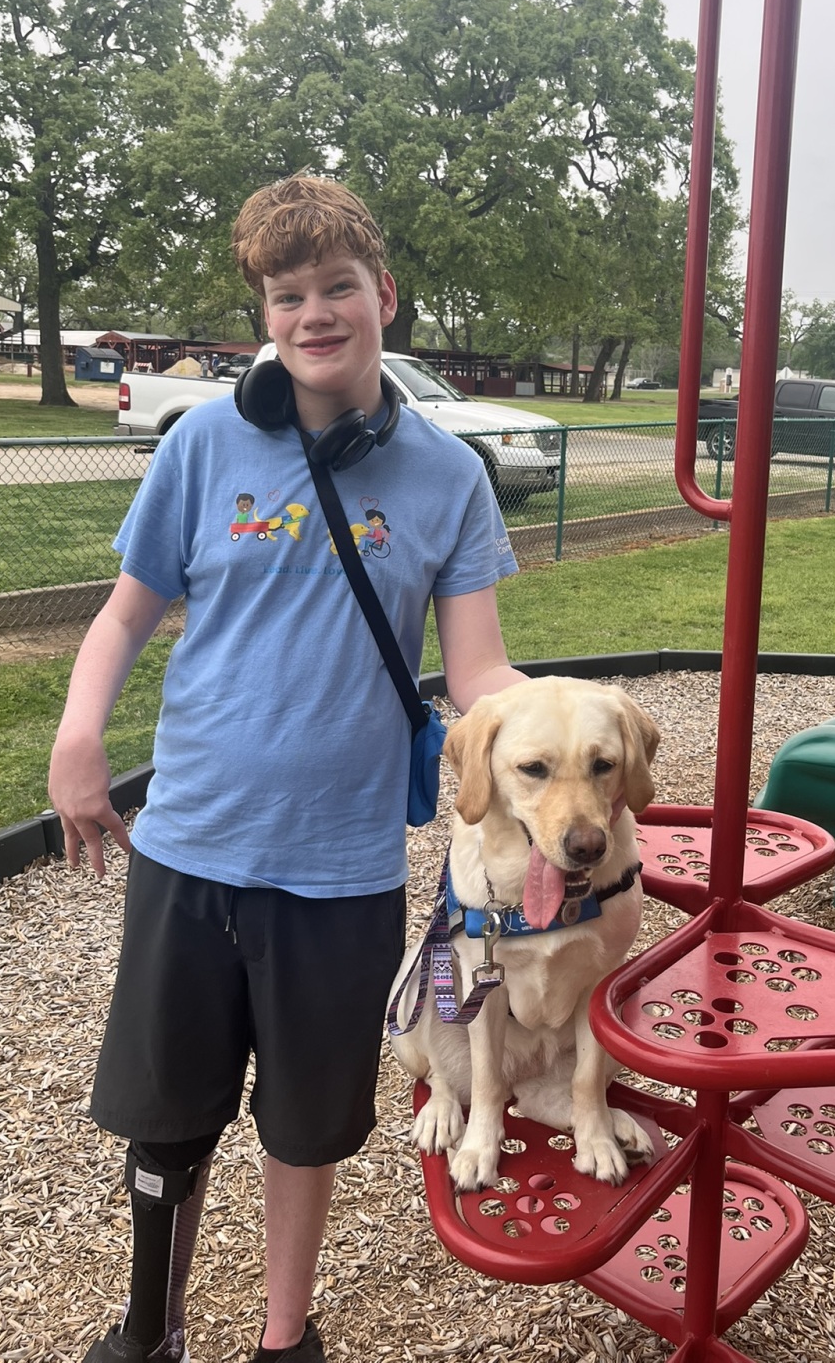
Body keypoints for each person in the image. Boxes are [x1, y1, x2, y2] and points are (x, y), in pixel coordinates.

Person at [49, 175, 527, 1363]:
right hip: (192, 845)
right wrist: (79, 734)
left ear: (384, 295)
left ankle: (283, 1334)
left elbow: (479, 670)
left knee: (306, 1127)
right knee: (167, 1116)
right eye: (286, 294)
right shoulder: (203, 445)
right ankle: (150, 1327)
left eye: (336, 287)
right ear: (265, 315)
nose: (314, 314)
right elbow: (123, 615)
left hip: (341, 867)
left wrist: (565, 737)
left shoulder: (448, 477)